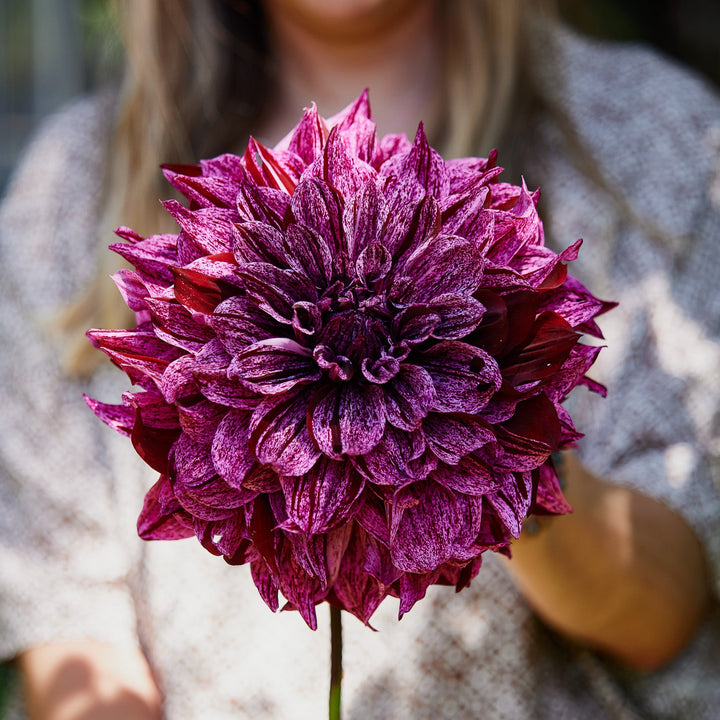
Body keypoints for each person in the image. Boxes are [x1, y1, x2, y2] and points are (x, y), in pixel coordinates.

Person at [1, 1, 718, 718]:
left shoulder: (652, 141)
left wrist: (506, 453)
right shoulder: (72, 189)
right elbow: (77, 650)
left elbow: (667, 615)